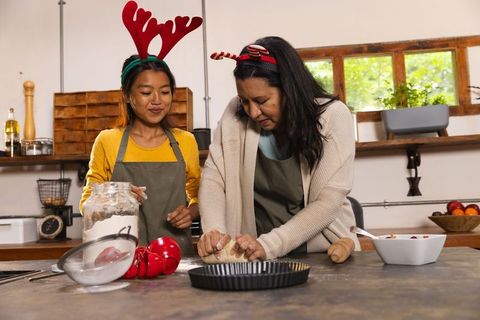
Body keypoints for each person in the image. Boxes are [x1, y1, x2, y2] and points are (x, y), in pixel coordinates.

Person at [197, 36, 360, 261]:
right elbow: (214, 179)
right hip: (255, 254)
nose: (253, 112)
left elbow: (328, 202)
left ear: (289, 89)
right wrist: (214, 230)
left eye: (262, 100)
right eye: (245, 100)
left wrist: (269, 245)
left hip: (320, 253)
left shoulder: (332, 116)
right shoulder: (235, 114)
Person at [79, 54, 201, 255]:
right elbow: (86, 205)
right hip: (120, 258)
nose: (157, 100)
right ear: (127, 95)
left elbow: (199, 197)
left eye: (165, 92)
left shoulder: (185, 141)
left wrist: (191, 213)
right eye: (146, 92)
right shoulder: (108, 141)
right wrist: (118, 197)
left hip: (175, 258)